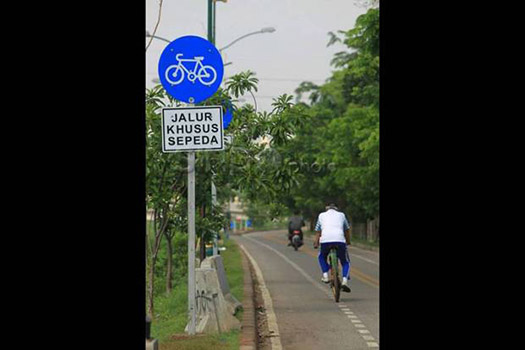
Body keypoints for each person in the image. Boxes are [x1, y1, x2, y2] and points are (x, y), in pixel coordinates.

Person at [313, 202, 352, 293]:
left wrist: (316, 243)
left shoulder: (321, 215)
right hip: (339, 240)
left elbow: (318, 231)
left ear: (327, 209)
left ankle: (325, 275)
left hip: (325, 241)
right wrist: (348, 241)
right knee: (345, 261)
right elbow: (347, 230)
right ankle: (345, 281)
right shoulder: (342, 215)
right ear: (336, 209)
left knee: (321, 256)